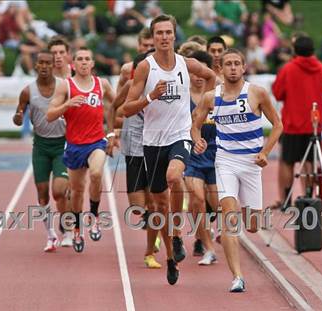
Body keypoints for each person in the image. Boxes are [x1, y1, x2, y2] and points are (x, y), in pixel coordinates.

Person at [123, 14, 216, 285]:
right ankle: (170, 257)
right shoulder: (145, 68)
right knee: (160, 204)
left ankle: (176, 237)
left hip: (180, 135)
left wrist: (201, 114)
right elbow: (126, 108)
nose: (164, 37)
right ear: (152, 38)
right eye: (159, 33)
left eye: (168, 32)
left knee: (175, 177)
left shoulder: (187, 64)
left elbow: (211, 77)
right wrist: (151, 96)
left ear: (174, 35)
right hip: (152, 141)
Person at [191, 48, 282, 292]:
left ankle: (243, 218)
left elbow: (278, 126)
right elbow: (195, 124)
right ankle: (237, 277)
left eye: (236, 64)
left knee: (252, 225)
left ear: (244, 68)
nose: (232, 68)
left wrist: (264, 152)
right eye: (227, 64)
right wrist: (197, 139)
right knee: (229, 215)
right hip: (225, 161)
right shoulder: (211, 97)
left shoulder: (257, 93)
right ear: (220, 69)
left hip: (252, 163)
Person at [47, 47, 116, 253]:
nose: (84, 62)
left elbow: (117, 103)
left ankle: (94, 218)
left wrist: (112, 132)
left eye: (87, 59)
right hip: (75, 146)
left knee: (96, 174)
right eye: (80, 59)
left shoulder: (101, 84)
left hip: (96, 143)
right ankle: (77, 229)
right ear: (73, 64)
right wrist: (67, 105)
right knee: (76, 192)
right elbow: (50, 114)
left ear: (92, 63)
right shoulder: (65, 86)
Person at [13, 50, 71, 251]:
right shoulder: (28, 91)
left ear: (53, 65)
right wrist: (18, 117)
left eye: (48, 63)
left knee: (59, 191)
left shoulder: (63, 87)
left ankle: (68, 227)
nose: (45, 66)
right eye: (41, 63)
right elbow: (18, 114)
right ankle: (51, 235)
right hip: (41, 146)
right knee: (42, 193)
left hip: (62, 143)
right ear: (36, 65)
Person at [114, 51, 161, 269]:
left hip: (155, 147)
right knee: (137, 208)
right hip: (133, 148)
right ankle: (151, 225)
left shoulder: (164, 86)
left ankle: (152, 243)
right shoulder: (131, 85)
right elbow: (115, 107)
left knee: (154, 201)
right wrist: (110, 132)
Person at [271, 35, 322, 209]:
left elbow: (277, 93)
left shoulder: (288, 69)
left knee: (287, 162)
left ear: (295, 50)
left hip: (292, 124)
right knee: (311, 163)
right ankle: (309, 197)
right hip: (313, 124)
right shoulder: (321, 68)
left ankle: (286, 200)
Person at [183, 50, 218, 264]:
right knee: (196, 200)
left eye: (201, 73)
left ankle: (208, 231)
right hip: (191, 154)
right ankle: (209, 247)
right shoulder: (182, 95)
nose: (197, 77)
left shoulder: (217, 93)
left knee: (216, 204)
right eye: (193, 73)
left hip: (216, 153)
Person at [117, 27, 154, 93]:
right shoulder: (127, 69)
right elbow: (119, 95)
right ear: (138, 46)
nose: (149, 49)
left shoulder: (166, 68)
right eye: (145, 45)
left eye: (152, 46)